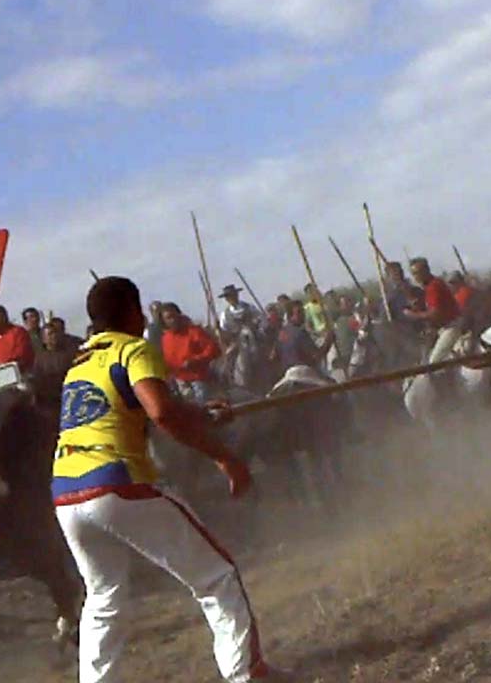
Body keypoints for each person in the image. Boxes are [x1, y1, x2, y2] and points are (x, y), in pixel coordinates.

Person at [52, 276, 289, 683]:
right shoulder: (133, 348)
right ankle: (248, 675)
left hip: (67, 494)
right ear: (130, 311)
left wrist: (200, 412)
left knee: (103, 598)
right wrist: (224, 456)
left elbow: (147, 406)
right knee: (216, 576)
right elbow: (160, 412)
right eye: (139, 308)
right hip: (118, 482)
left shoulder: (80, 363)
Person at [160, 303, 221, 403]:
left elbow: (214, 349)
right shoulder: (165, 338)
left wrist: (196, 360)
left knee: (203, 407)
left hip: (199, 379)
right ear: (164, 321)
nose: (173, 320)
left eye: (174, 316)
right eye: (168, 318)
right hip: (180, 382)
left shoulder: (194, 331)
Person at [403, 257, 461, 363]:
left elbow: (435, 313)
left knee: (434, 363)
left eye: (417, 273)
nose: (415, 277)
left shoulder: (434, 286)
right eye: (413, 274)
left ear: (426, 271)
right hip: (442, 328)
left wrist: (413, 315)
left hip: (451, 327)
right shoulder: (429, 286)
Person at [276, 299, 333, 373]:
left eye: (303, 311)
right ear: (290, 316)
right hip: (303, 373)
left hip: (287, 373)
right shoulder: (300, 333)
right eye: (299, 312)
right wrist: (328, 341)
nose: (303, 314)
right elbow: (317, 356)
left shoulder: (282, 332)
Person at [33, 321, 77, 410]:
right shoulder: (40, 359)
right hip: (52, 400)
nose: (54, 336)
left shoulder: (69, 352)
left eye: (55, 333)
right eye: (50, 334)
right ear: (44, 339)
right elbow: (38, 379)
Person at [0, 305, 34, 373]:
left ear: (5, 317)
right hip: (2, 378)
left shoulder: (18, 332)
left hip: (22, 375)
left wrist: (4, 365)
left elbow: (22, 354)